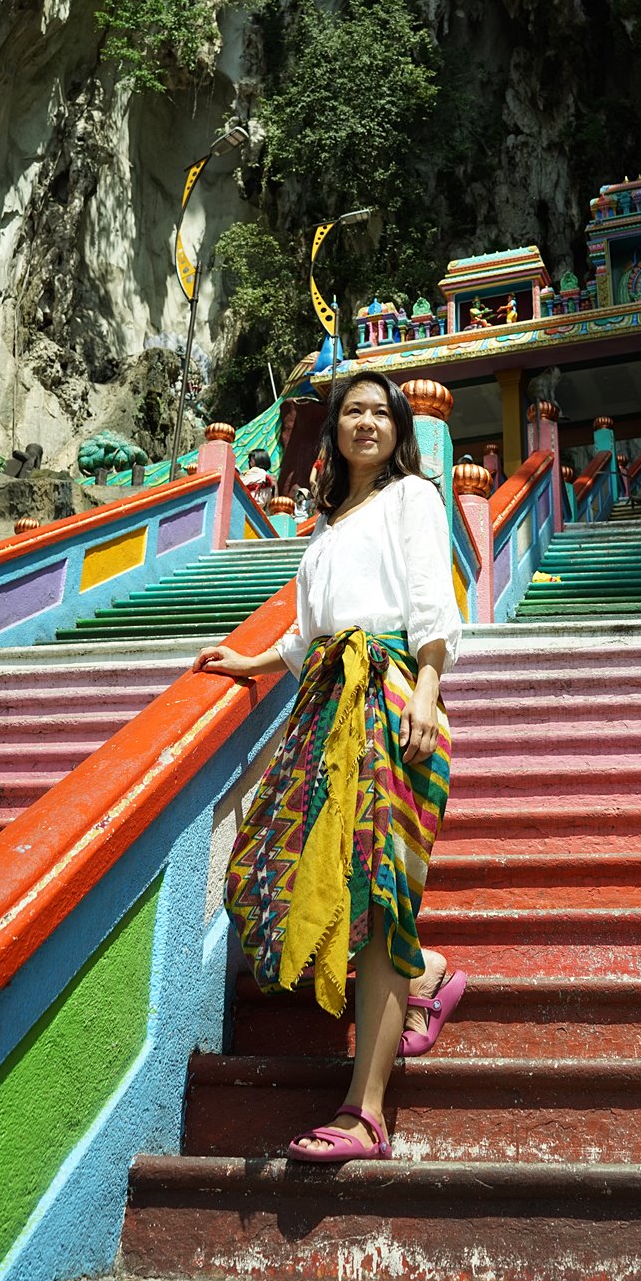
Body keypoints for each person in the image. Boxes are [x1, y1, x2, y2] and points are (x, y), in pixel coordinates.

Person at [193, 370, 465, 1164]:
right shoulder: (329, 526)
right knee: (319, 875)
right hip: (326, 709)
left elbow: (430, 598)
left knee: (378, 896)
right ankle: (427, 975)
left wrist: (427, 692)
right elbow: (309, 632)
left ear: (399, 429)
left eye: (382, 412)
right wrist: (247, 662)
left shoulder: (413, 497)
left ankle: (365, 1113)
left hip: (395, 698)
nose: (367, 422)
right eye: (353, 411)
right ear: (334, 429)